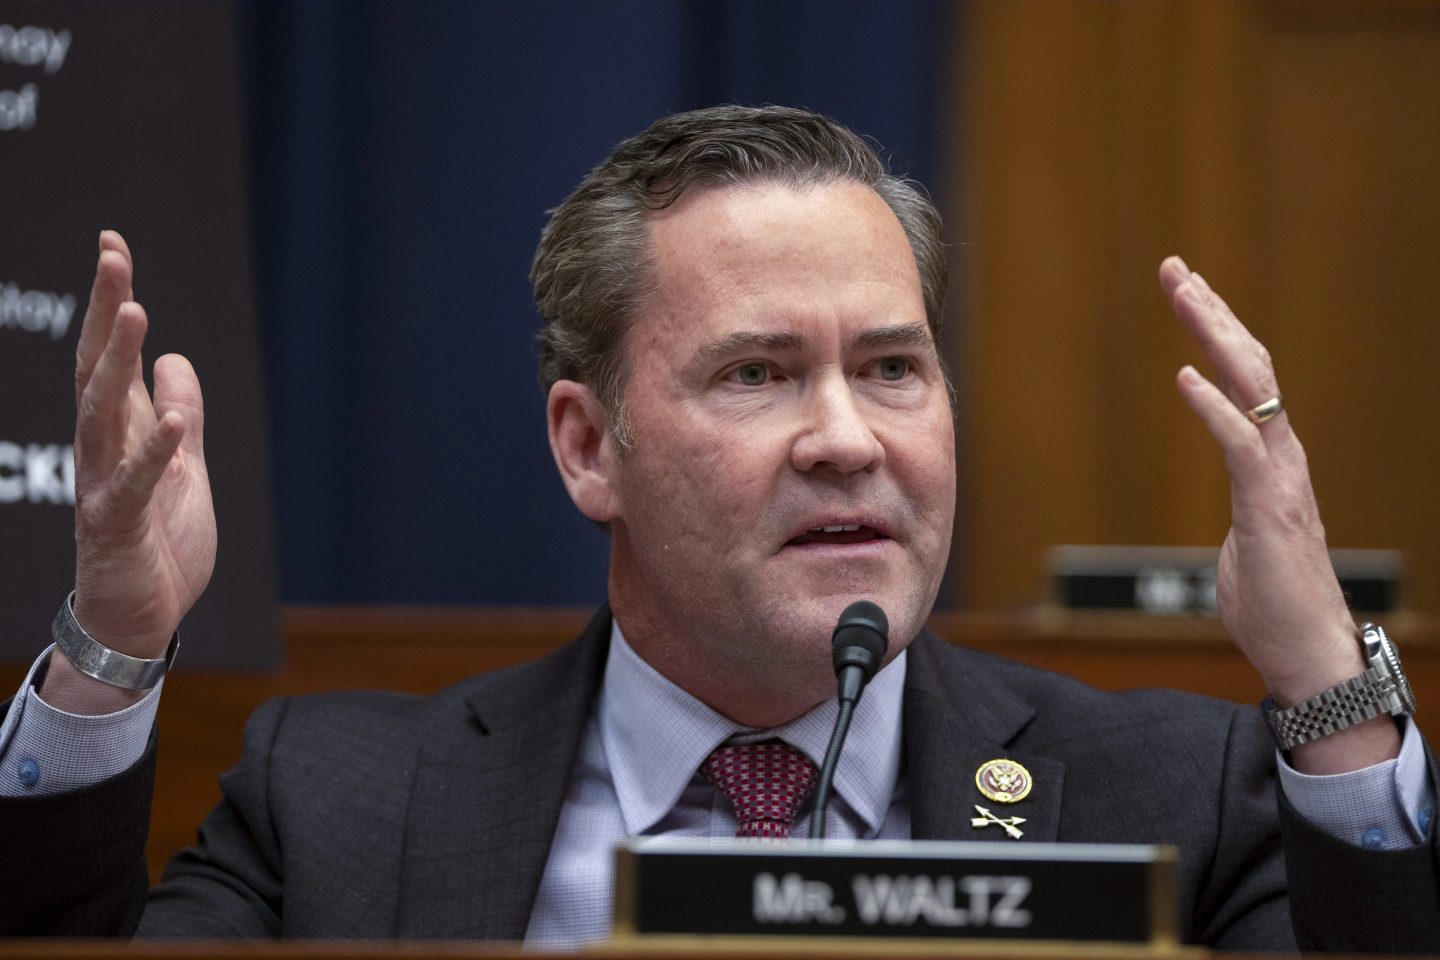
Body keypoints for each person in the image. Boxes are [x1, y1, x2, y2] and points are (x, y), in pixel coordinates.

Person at [2, 106, 1436, 950]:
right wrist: (116, 644)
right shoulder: (336, 808)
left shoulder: (1180, 801)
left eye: (892, 366)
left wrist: (1327, 686)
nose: (846, 436)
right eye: (756, 373)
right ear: (589, 447)